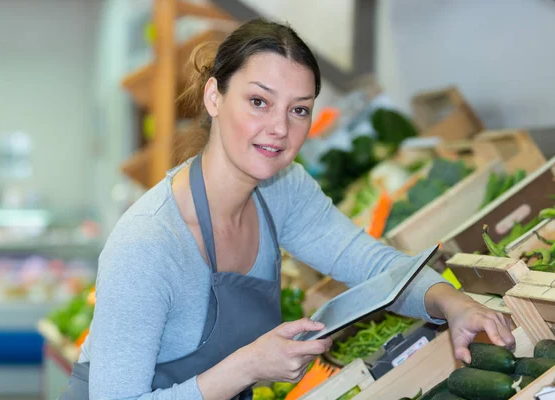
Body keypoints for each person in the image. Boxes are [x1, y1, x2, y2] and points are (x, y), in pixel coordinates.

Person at [60, 18, 515, 400]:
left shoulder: (282, 188)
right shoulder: (149, 243)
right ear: (214, 97)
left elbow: (373, 264)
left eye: (299, 110)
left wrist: (452, 303)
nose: (278, 128)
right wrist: (249, 365)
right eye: (258, 102)